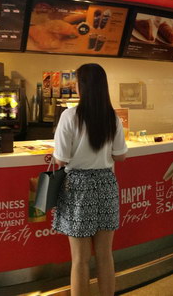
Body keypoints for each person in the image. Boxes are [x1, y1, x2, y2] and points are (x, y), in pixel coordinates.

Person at [53, 63, 127, 296]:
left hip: (78, 187)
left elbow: (61, 160)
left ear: (82, 86)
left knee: (80, 260)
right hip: (106, 184)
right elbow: (120, 155)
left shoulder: (69, 116)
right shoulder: (112, 117)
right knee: (105, 255)